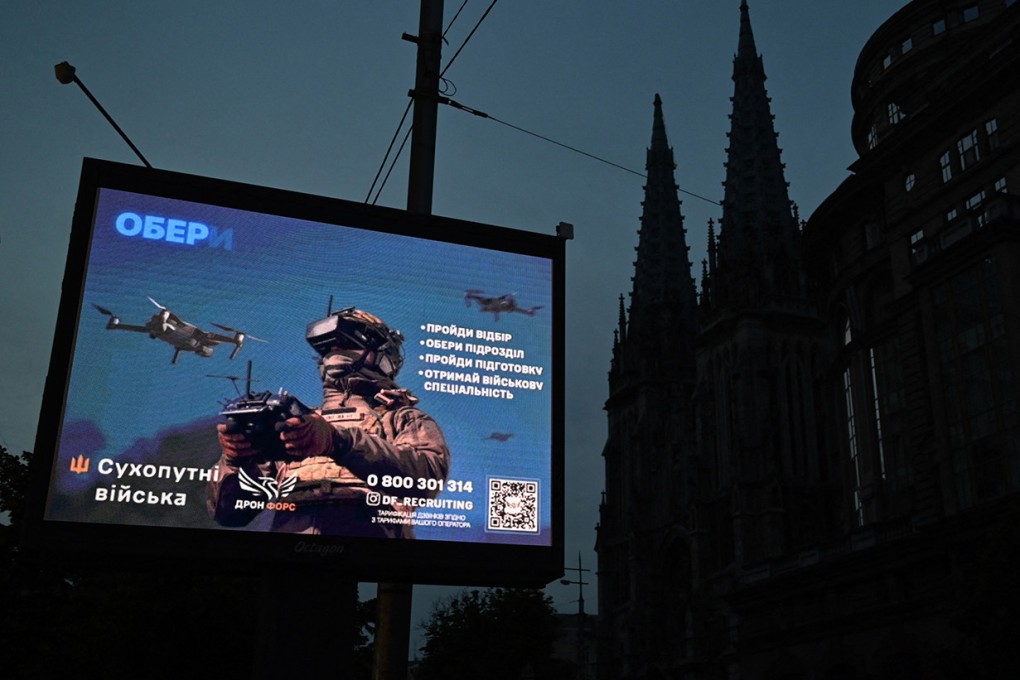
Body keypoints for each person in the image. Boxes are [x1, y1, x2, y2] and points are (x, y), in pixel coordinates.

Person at [208, 307, 450, 537]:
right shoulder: (295, 423)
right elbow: (229, 514)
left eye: (346, 345)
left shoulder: (402, 418)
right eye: (328, 349)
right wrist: (235, 461)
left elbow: (426, 479)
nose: (335, 353)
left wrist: (339, 442)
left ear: (383, 357)